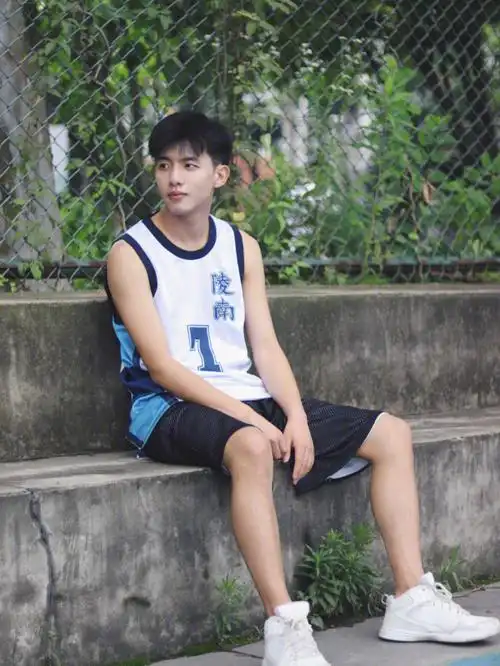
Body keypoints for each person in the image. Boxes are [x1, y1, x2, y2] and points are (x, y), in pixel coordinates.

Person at [105, 110, 500, 666]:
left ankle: (411, 599)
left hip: (245, 397)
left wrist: (291, 413)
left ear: (219, 175)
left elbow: (264, 346)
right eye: (164, 165)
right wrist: (257, 421)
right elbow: (163, 369)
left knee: (392, 434)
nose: (174, 177)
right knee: (251, 445)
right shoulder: (131, 253)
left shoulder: (240, 247)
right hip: (166, 408)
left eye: (189, 165)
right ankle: (285, 625)